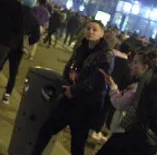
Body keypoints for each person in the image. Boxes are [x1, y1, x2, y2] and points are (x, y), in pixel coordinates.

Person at [31, 20, 114, 155]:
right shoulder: (82, 47)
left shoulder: (106, 54)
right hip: (69, 98)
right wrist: (66, 83)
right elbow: (69, 66)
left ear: (102, 34)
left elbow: (97, 80)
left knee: (77, 144)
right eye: (88, 28)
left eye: (94, 29)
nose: (90, 31)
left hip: (86, 105)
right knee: (47, 129)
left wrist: (74, 90)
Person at [96, 47, 157, 154]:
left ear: (145, 67)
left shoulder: (140, 86)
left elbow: (120, 104)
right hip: (135, 134)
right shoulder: (143, 83)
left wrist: (113, 88)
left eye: (136, 62)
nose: (131, 65)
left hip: (129, 132)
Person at [0, 0, 41, 104]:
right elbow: (36, 37)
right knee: (13, 71)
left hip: (7, 42)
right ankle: (7, 94)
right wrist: (27, 41)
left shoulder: (14, 11)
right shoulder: (34, 19)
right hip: (20, 47)